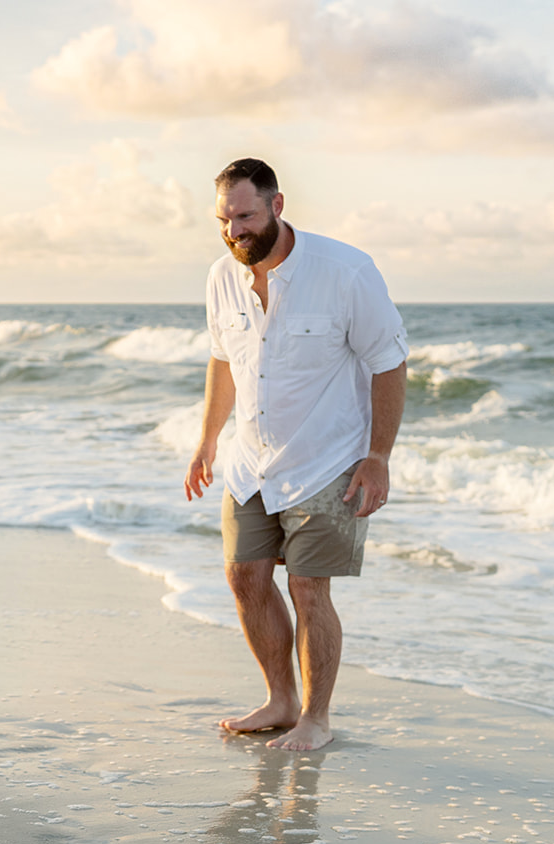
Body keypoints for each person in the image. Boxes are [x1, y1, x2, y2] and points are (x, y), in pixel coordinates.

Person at [184, 158, 408, 752]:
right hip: (249, 462)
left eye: (245, 216)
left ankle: (316, 717)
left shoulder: (346, 271)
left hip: (326, 459)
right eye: (223, 219)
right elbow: (222, 359)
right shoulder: (221, 276)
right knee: (245, 578)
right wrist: (208, 438)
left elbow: (389, 362)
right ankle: (279, 699)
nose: (234, 231)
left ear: (277, 206)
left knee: (310, 590)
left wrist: (377, 457)